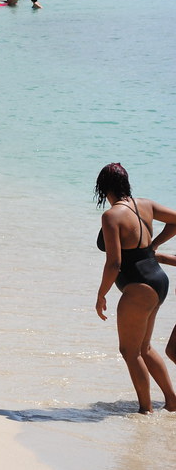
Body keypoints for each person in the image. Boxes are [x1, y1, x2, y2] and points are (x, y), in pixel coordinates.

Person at [94, 163, 176, 414]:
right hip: (158, 281)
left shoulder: (111, 216)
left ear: (103, 188)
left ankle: (146, 410)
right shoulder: (146, 205)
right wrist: (154, 245)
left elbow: (115, 262)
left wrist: (101, 294)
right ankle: (172, 402)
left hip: (139, 287)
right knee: (144, 348)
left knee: (129, 351)